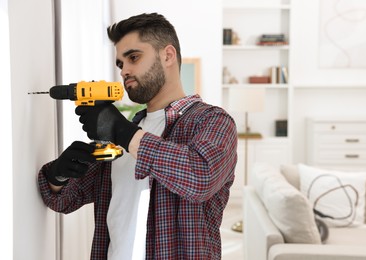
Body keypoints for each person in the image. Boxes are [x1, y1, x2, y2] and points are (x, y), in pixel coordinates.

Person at [38, 12, 237, 260]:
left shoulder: (211, 121)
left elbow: (200, 177)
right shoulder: (123, 140)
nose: (124, 71)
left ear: (168, 55)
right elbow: (64, 200)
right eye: (121, 64)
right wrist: (59, 173)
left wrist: (122, 131)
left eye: (133, 57)